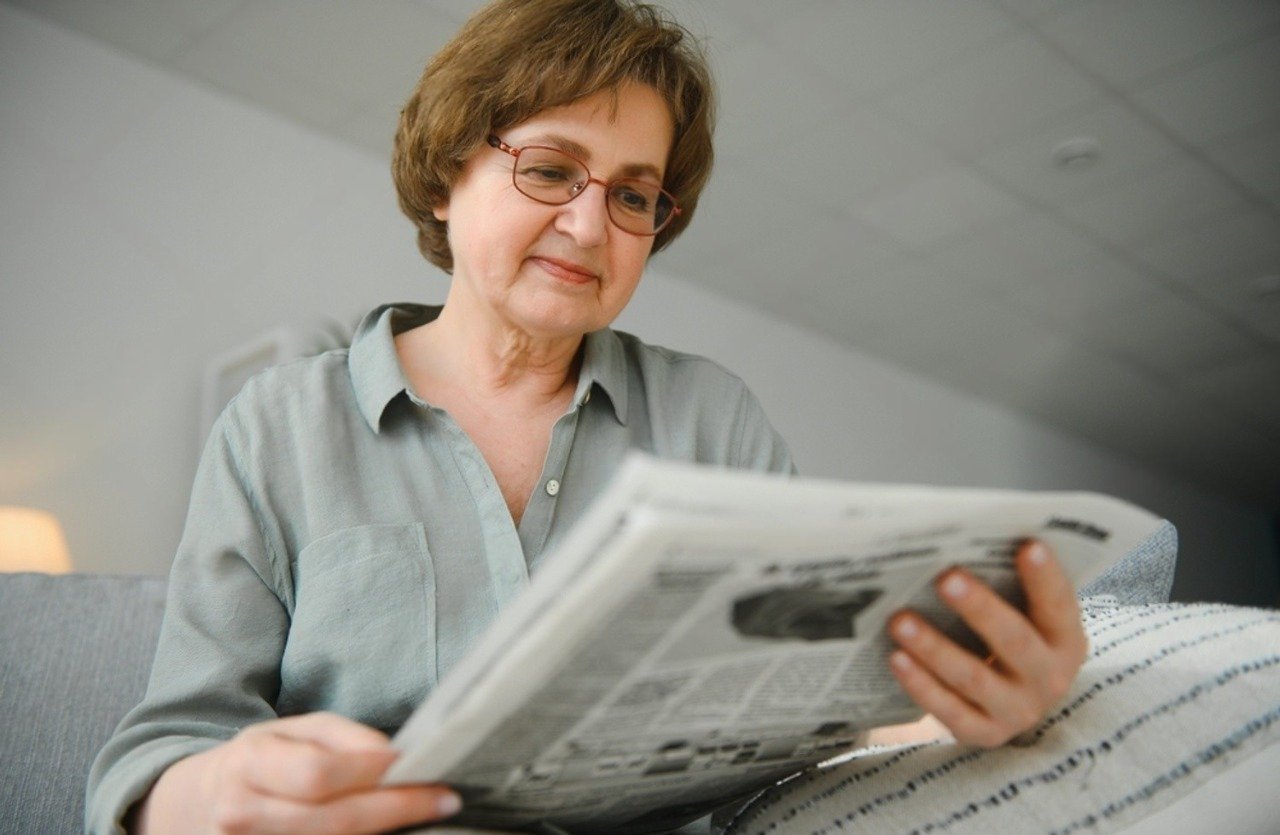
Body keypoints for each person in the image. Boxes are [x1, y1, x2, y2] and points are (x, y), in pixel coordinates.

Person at [86, 1, 1088, 832]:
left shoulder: (711, 417)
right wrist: (207, 793)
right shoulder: (279, 425)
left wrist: (969, 708)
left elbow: (810, 717)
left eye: (633, 195)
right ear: (446, 178)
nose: (585, 224)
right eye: (551, 169)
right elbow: (165, 748)